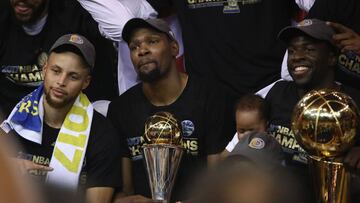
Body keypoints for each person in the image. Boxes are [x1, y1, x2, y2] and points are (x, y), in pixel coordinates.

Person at [107, 18, 235, 202]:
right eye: (134, 47)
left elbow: (218, 185)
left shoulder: (210, 97)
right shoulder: (120, 109)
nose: (142, 51)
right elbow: (124, 191)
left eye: (152, 41)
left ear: (174, 48)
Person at [1, 34, 121, 203]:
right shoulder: (10, 120)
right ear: (44, 70)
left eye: (73, 76)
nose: (61, 82)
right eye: (56, 71)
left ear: (86, 82)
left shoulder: (103, 134)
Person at [267, 18, 360, 201]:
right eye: (292, 50)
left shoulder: (355, 102)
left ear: (332, 58)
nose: (297, 56)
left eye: (309, 49)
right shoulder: (276, 93)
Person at [0, 0, 118, 116]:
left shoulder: (75, 16)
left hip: (75, 117)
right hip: (11, 120)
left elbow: (117, 28)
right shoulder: (3, 17)